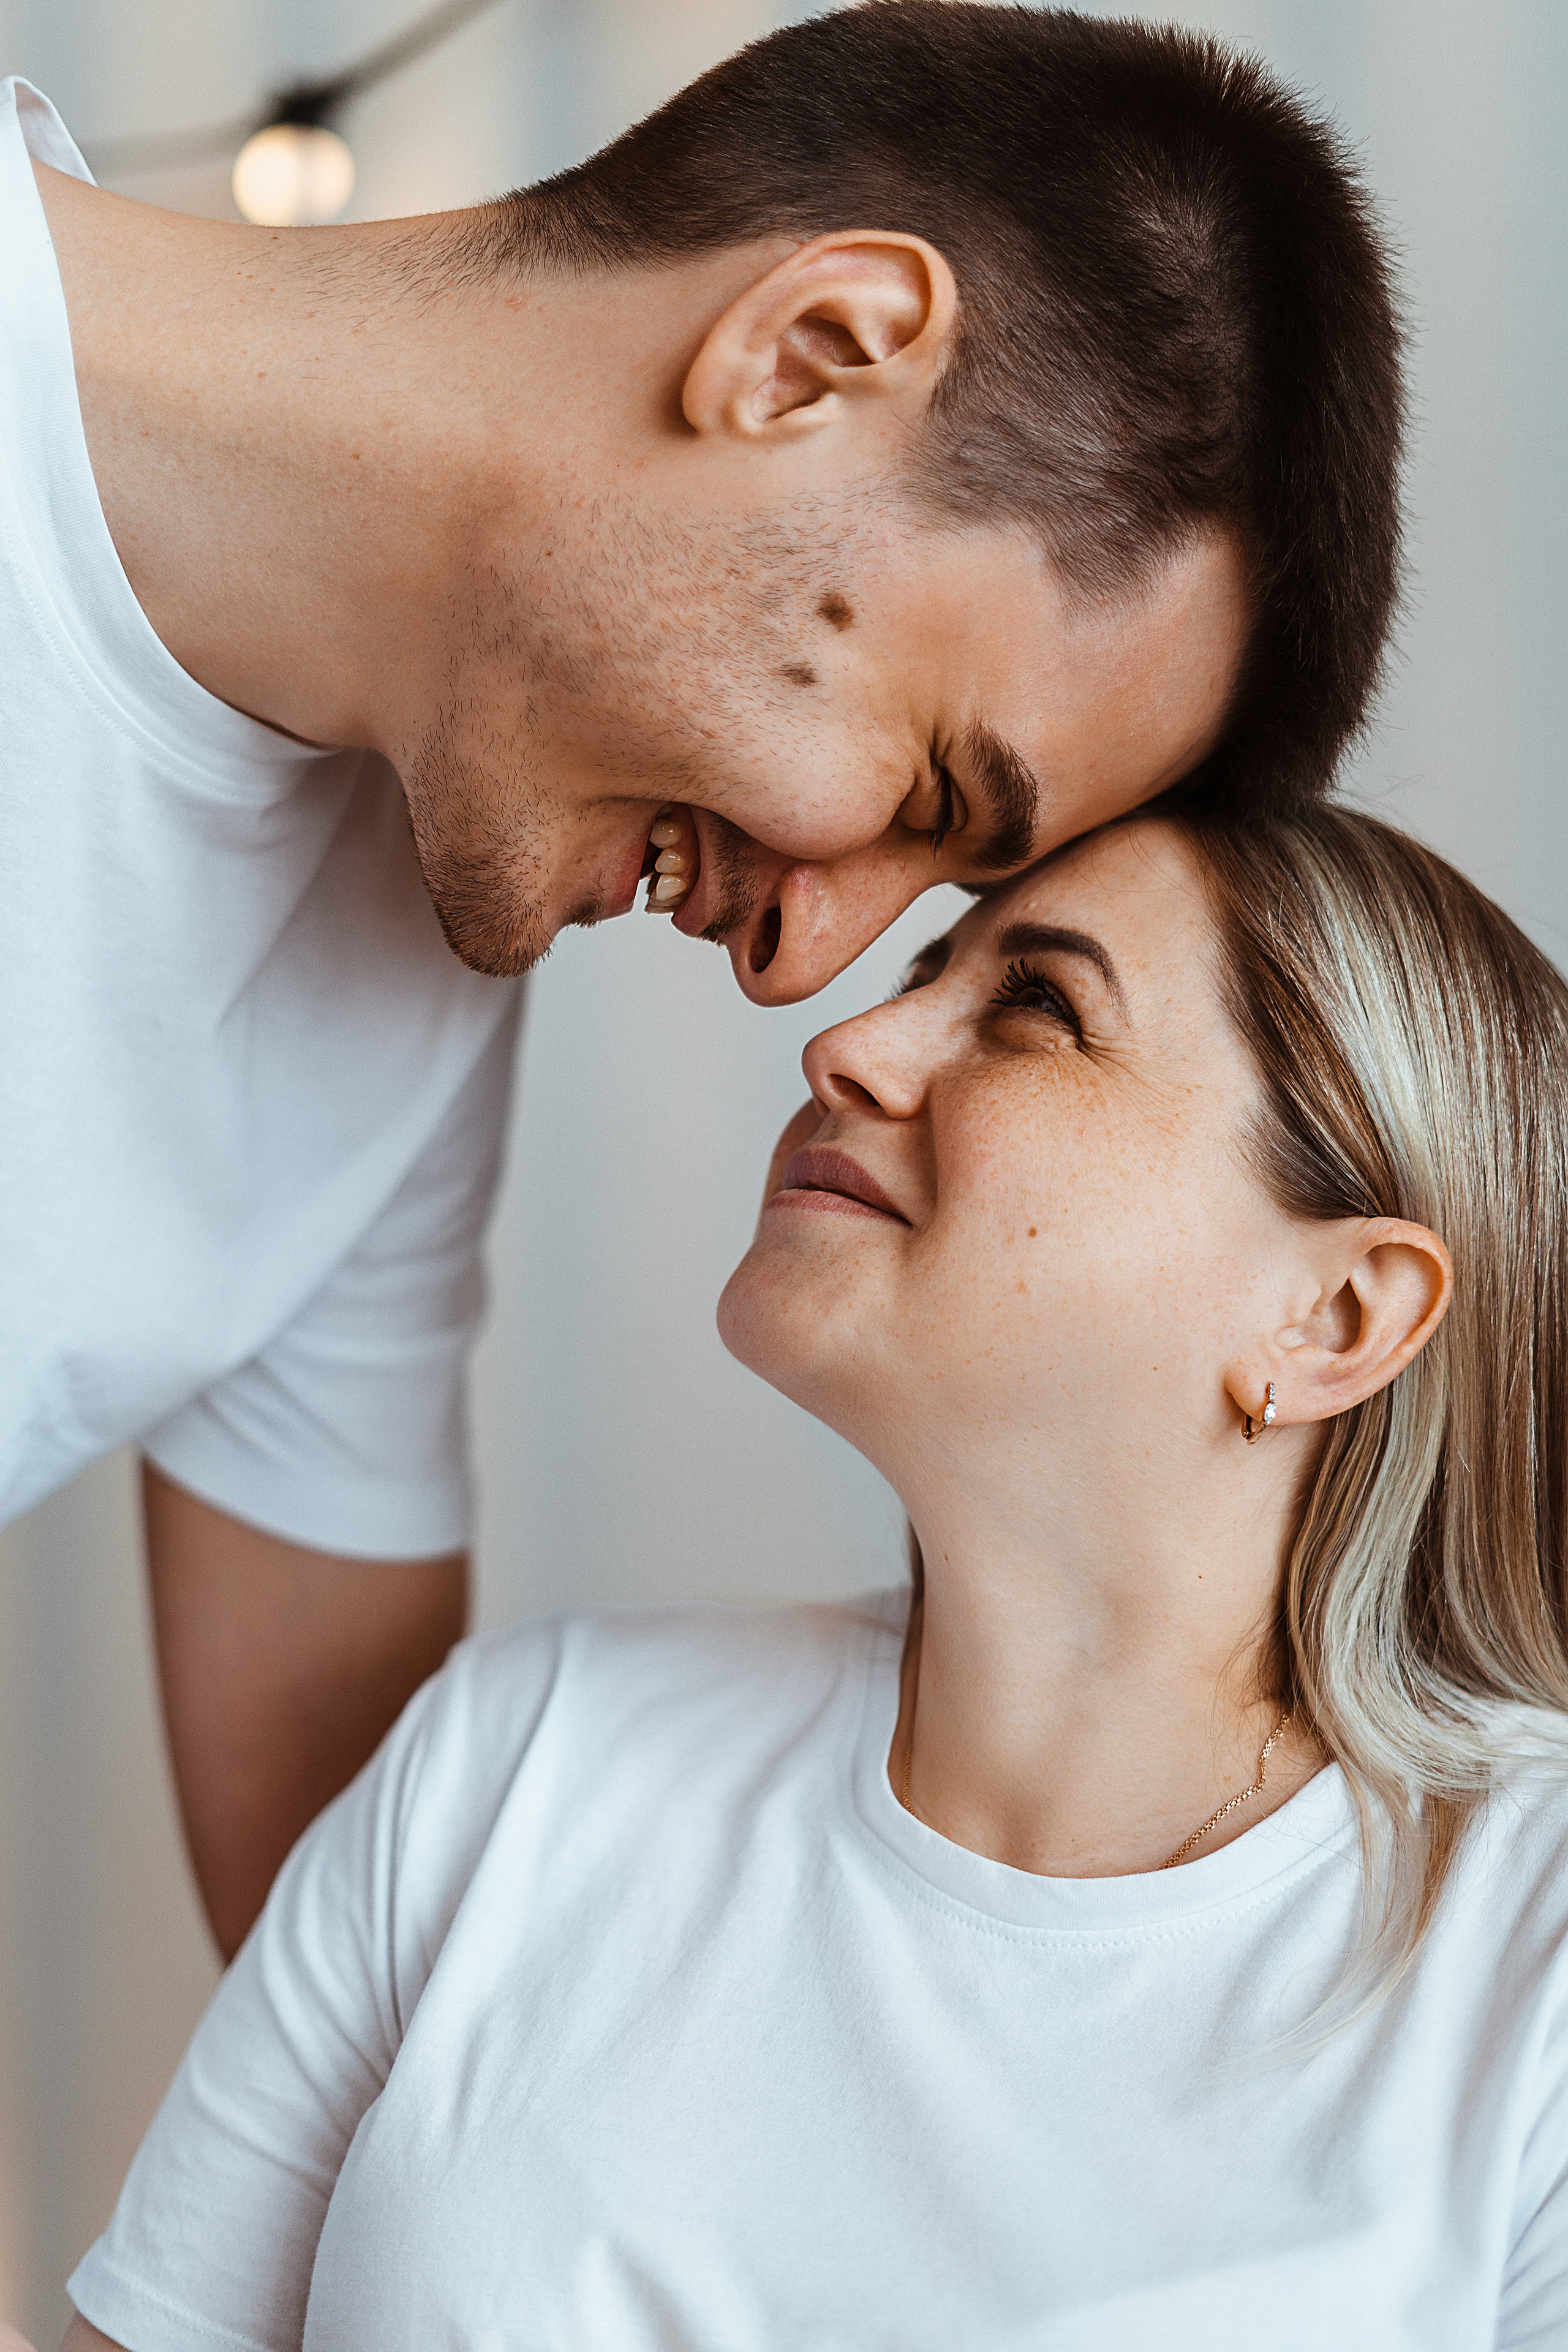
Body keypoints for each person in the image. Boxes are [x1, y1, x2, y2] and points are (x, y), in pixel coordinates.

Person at [1, 3, 1404, 1956]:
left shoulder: (394, 980)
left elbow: (367, 1965)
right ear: (810, 355)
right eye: (928, 791)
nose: (801, 969)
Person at [59, 802, 1568, 2350]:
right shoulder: (516, 1755)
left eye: (1036, 1009)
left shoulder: (1531, 1958)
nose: (844, 1045)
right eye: (923, 973)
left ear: (1335, 1317)